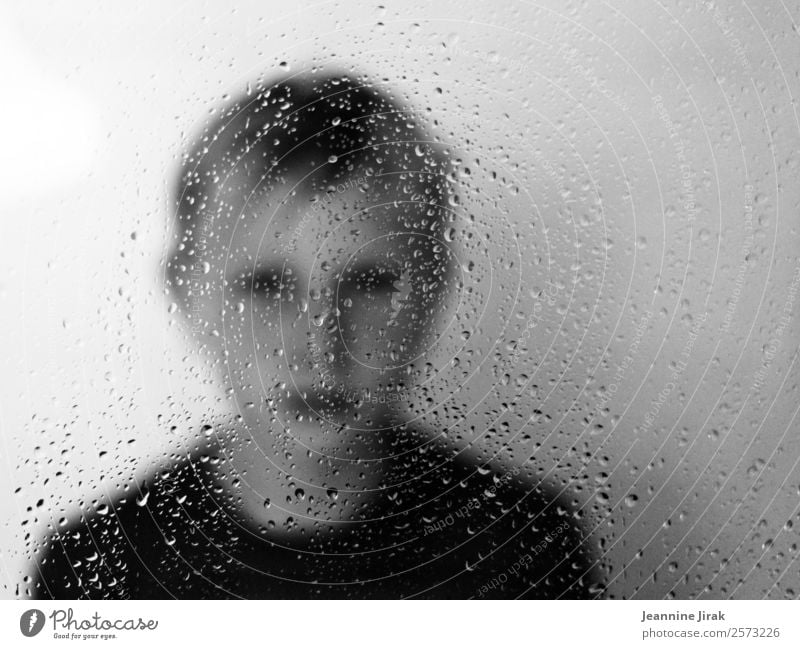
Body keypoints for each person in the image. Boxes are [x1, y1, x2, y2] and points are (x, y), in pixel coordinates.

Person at [27, 69, 602, 599]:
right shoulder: (97, 569)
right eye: (267, 287)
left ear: (431, 294)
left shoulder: (526, 549)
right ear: (188, 297)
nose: (322, 342)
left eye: (370, 283)